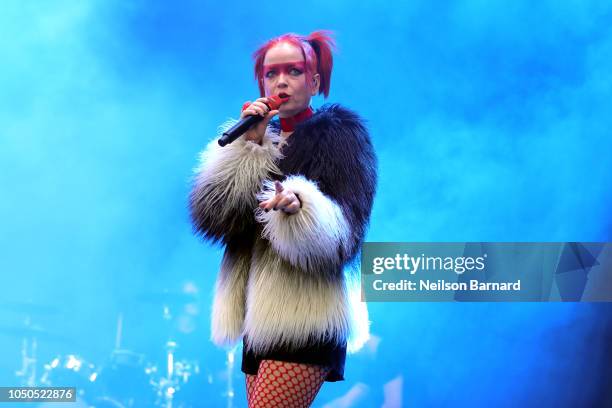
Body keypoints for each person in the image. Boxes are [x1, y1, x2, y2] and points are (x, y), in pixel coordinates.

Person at [189, 30, 377, 407]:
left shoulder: (341, 138)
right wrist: (251, 149)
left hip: (306, 317)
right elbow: (212, 218)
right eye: (272, 74)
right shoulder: (257, 137)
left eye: (293, 71)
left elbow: (346, 237)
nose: (281, 81)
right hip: (256, 323)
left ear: (315, 81)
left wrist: (301, 209)